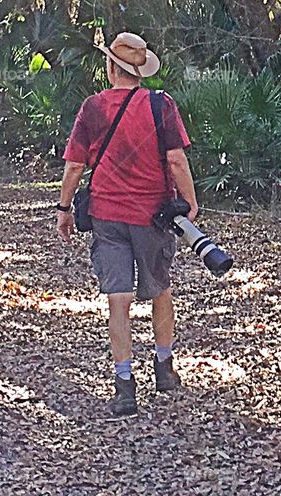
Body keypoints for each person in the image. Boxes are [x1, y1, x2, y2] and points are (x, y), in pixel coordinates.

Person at [55, 32, 199, 417]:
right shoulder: (160, 104)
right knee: (159, 289)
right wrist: (191, 201)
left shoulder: (93, 108)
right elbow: (176, 160)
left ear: (111, 67)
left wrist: (64, 208)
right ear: (139, 70)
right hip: (153, 215)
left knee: (118, 301)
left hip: (107, 216)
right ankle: (164, 368)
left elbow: (74, 165)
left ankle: (124, 386)